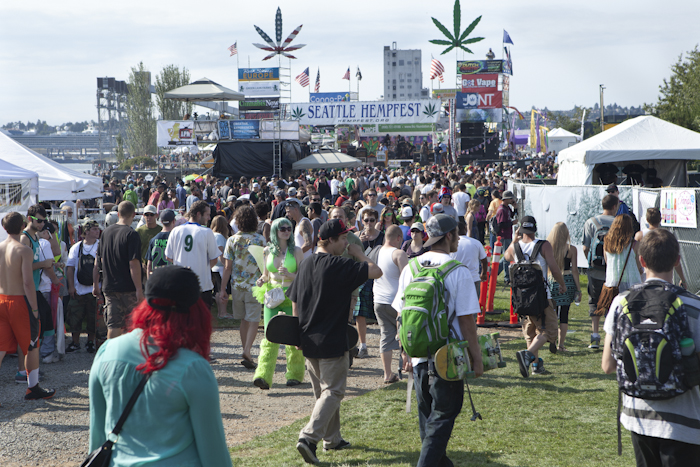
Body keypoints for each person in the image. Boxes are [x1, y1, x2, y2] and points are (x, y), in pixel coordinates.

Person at [88, 266, 232, 466]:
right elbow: (214, 455)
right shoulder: (194, 368)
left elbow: (96, 440)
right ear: (196, 312)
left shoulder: (107, 351)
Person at [601, 229, 700, 465]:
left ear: (642, 261)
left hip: (638, 417)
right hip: (685, 420)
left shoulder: (621, 302)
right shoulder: (694, 307)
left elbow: (607, 365)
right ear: (677, 261)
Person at [392, 214, 483, 466]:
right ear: (450, 235)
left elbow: (400, 315)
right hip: (447, 357)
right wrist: (477, 359)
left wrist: (405, 353)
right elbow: (467, 323)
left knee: (429, 422)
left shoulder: (411, 267)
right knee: (443, 416)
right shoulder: (458, 271)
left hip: (419, 354)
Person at [290, 219, 382, 464]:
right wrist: (359, 253)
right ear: (329, 240)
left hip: (307, 339)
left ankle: (332, 439)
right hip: (332, 339)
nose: (346, 243)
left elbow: (295, 302)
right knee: (333, 391)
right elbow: (376, 271)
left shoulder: (306, 263)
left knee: (323, 393)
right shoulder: (339, 264)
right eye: (343, 239)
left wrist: (295, 333)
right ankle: (309, 438)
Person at [0, 212, 55, 400]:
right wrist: (34, 308)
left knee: (1, 346)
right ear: (23, 225)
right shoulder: (24, 250)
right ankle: (33, 387)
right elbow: (27, 282)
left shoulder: (0, 247)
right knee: (32, 344)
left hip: (2, 298)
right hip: (19, 300)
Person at [504, 216, 567, 377]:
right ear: (535, 229)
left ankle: (536, 365)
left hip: (520, 299)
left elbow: (506, 257)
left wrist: (514, 239)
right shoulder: (543, 245)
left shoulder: (515, 247)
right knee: (550, 331)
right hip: (541, 297)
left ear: (521, 230)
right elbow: (553, 268)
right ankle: (528, 355)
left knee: (530, 332)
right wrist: (562, 284)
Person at [251, 218, 305, 390]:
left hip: (291, 295)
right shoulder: (267, 251)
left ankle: (295, 375)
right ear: (275, 230)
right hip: (273, 296)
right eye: (282, 228)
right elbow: (266, 275)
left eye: (289, 228)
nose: (286, 231)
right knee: (269, 335)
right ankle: (263, 375)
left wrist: (289, 274)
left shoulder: (296, 251)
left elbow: (304, 278)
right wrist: (261, 280)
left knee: (292, 336)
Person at [219, 205, 265, 369]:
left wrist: (223, 289)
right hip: (255, 285)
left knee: (244, 319)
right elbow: (263, 265)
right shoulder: (260, 240)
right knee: (253, 319)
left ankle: (245, 349)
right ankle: (247, 350)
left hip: (237, 286)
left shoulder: (232, 240)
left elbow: (227, 267)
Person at [93, 201, 143, 340]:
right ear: (134, 214)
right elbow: (134, 263)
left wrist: (95, 283)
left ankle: (112, 356)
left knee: (113, 325)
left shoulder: (106, 233)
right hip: (128, 287)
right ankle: (133, 356)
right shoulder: (131, 234)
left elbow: (99, 261)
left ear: (118, 214)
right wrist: (139, 288)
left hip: (109, 286)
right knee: (134, 325)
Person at [165, 200, 220, 309]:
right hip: (202, 285)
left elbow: (168, 257)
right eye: (207, 215)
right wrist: (202, 268)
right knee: (201, 323)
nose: (209, 218)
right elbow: (214, 259)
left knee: (181, 321)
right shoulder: (207, 232)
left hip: (180, 283)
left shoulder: (176, 230)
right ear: (199, 214)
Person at [582, 194, 619, 349]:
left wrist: (590, 263)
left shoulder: (591, 222)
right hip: (614, 271)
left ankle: (595, 336)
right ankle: (611, 337)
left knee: (595, 302)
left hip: (595, 270)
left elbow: (585, 247)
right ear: (614, 206)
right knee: (613, 304)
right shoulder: (619, 223)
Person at [373, 225, 408, 383]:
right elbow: (407, 278)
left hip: (379, 300)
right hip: (396, 302)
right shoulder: (399, 253)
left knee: (385, 336)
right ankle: (408, 365)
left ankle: (387, 374)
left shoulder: (377, 251)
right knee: (405, 334)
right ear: (399, 238)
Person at [66, 219, 101, 354]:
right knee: (74, 317)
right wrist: (70, 286)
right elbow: (70, 268)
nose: (97, 231)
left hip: (94, 290)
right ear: (86, 231)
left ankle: (90, 342)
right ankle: (75, 343)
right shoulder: (76, 247)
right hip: (78, 289)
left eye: (98, 229)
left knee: (93, 318)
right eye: (94, 229)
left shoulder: (100, 245)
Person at [545, 222, 581, 352]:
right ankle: (561, 345)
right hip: (568, 281)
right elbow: (575, 270)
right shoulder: (571, 249)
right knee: (564, 314)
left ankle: (552, 340)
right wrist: (578, 289)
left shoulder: (549, 247)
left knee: (553, 313)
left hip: (552, 281)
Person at [355, 208, 384, 359]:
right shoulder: (357, 238)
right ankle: (363, 345)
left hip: (379, 278)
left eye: (372, 220)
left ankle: (386, 343)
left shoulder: (383, 238)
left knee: (381, 312)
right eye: (366, 220)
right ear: (362, 221)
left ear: (376, 221)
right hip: (362, 278)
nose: (369, 224)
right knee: (360, 313)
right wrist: (360, 243)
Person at [642, 207, 688, 287]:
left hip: (644, 276)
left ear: (647, 219)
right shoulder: (666, 237)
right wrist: (683, 279)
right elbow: (675, 260)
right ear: (660, 219)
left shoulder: (640, 235)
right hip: (665, 280)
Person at [603, 214, 643, 293]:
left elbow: (607, 261)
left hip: (613, 281)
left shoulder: (607, 242)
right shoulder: (634, 244)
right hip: (632, 282)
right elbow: (638, 266)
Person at [452, 221, 488, 297]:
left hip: (456, 280)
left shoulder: (451, 245)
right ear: (465, 228)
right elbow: (484, 260)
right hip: (473, 279)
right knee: (473, 306)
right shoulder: (476, 243)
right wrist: (484, 273)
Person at [210, 215, 233, 320]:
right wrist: (227, 266)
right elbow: (220, 253)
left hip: (214, 266)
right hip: (220, 267)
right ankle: (222, 312)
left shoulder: (211, 234)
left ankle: (221, 312)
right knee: (222, 291)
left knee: (218, 290)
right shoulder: (219, 236)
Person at [145, 209, 175, 278]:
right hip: (171, 278)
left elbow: (149, 265)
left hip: (156, 278)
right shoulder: (175, 239)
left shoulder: (153, 240)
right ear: (173, 221)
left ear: (161, 222)